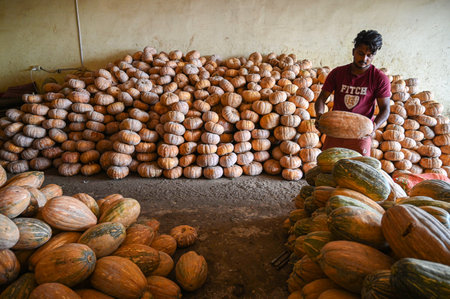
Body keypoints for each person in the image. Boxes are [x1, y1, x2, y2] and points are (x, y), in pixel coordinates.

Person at [314, 29, 391, 156]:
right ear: (353, 52)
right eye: (360, 53)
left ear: (373, 56)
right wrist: (319, 115)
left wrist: (374, 127)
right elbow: (322, 99)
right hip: (336, 130)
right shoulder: (337, 73)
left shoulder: (379, 78)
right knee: (327, 169)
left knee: (357, 172)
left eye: (369, 55)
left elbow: (385, 109)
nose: (364, 58)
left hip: (361, 134)